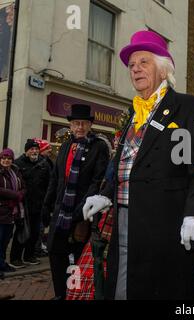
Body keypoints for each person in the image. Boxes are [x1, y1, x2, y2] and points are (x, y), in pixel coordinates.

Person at [82, 30, 194, 300]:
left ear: (163, 70)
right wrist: (105, 195)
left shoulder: (189, 107)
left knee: (163, 289)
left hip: (166, 222)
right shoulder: (134, 111)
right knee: (123, 288)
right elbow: (126, 160)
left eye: (144, 62)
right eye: (131, 65)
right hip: (125, 217)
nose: (135, 69)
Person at [41, 104, 110, 300]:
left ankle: (74, 295)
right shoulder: (64, 146)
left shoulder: (99, 147)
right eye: (75, 123)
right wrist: (47, 206)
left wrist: (79, 213)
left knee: (77, 259)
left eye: (84, 123)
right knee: (56, 254)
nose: (79, 127)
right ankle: (61, 294)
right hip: (60, 213)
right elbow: (55, 179)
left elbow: (97, 181)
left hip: (82, 215)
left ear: (89, 125)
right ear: (70, 125)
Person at [10, 139, 50, 267]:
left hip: (38, 204)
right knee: (21, 232)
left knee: (34, 232)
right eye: (31, 149)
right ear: (26, 151)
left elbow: (49, 183)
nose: (34, 151)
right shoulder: (17, 164)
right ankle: (15, 258)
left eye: (36, 149)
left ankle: (29, 255)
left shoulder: (44, 164)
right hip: (23, 205)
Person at [0, 148, 25, 276]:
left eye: (9, 158)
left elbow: (23, 187)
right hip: (1, 211)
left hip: (12, 212)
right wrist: (16, 195)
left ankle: (2, 263)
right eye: (3, 158)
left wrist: (21, 194)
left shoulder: (15, 171)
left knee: (5, 241)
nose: (6, 160)